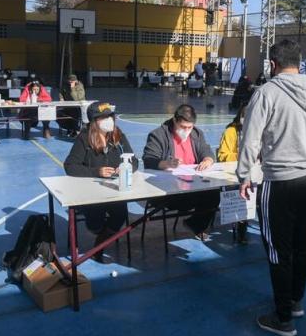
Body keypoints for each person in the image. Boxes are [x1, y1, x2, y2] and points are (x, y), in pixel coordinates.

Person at [237, 38, 306, 336]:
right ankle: (295, 301)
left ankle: (283, 318)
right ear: (300, 62)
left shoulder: (267, 93)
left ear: (273, 65)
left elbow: (250, 138)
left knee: (278, 250)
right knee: (303, 242)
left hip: (280, 181)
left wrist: (244, 175)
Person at [64, 102, 138, 261]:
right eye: (103, 117)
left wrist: (126, 167)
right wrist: (96, 172)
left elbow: (134, 161)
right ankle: (101, 234)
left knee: (120, 214)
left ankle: (101, 243)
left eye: (110, 116)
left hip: (115, 189)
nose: (109, 120)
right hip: (91, 192)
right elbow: (70, 166)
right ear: (93, 121)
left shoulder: (118, 136)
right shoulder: (84, 139)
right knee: (94, 222)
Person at [142, 104, 219, 240]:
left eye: (190, 127)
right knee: (198, 197)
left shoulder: (196, 133)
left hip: (194, 184)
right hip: (168, 188)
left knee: (214, 194)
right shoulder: (158, 135)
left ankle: (195, 224)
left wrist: (208, 159)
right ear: (174, 120)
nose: (187, 130)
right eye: (183, 127)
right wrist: (165, 163)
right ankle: (196, 223)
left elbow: (206, 150)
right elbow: (148, 159)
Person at [217, 104, 249, 244]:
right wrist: (243, 156)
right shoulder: (231, 131)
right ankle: (242, 230)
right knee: (241, 193)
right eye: (243, 116)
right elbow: (223, 155)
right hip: (232, 173)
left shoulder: (261, 131)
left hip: (255, 172)